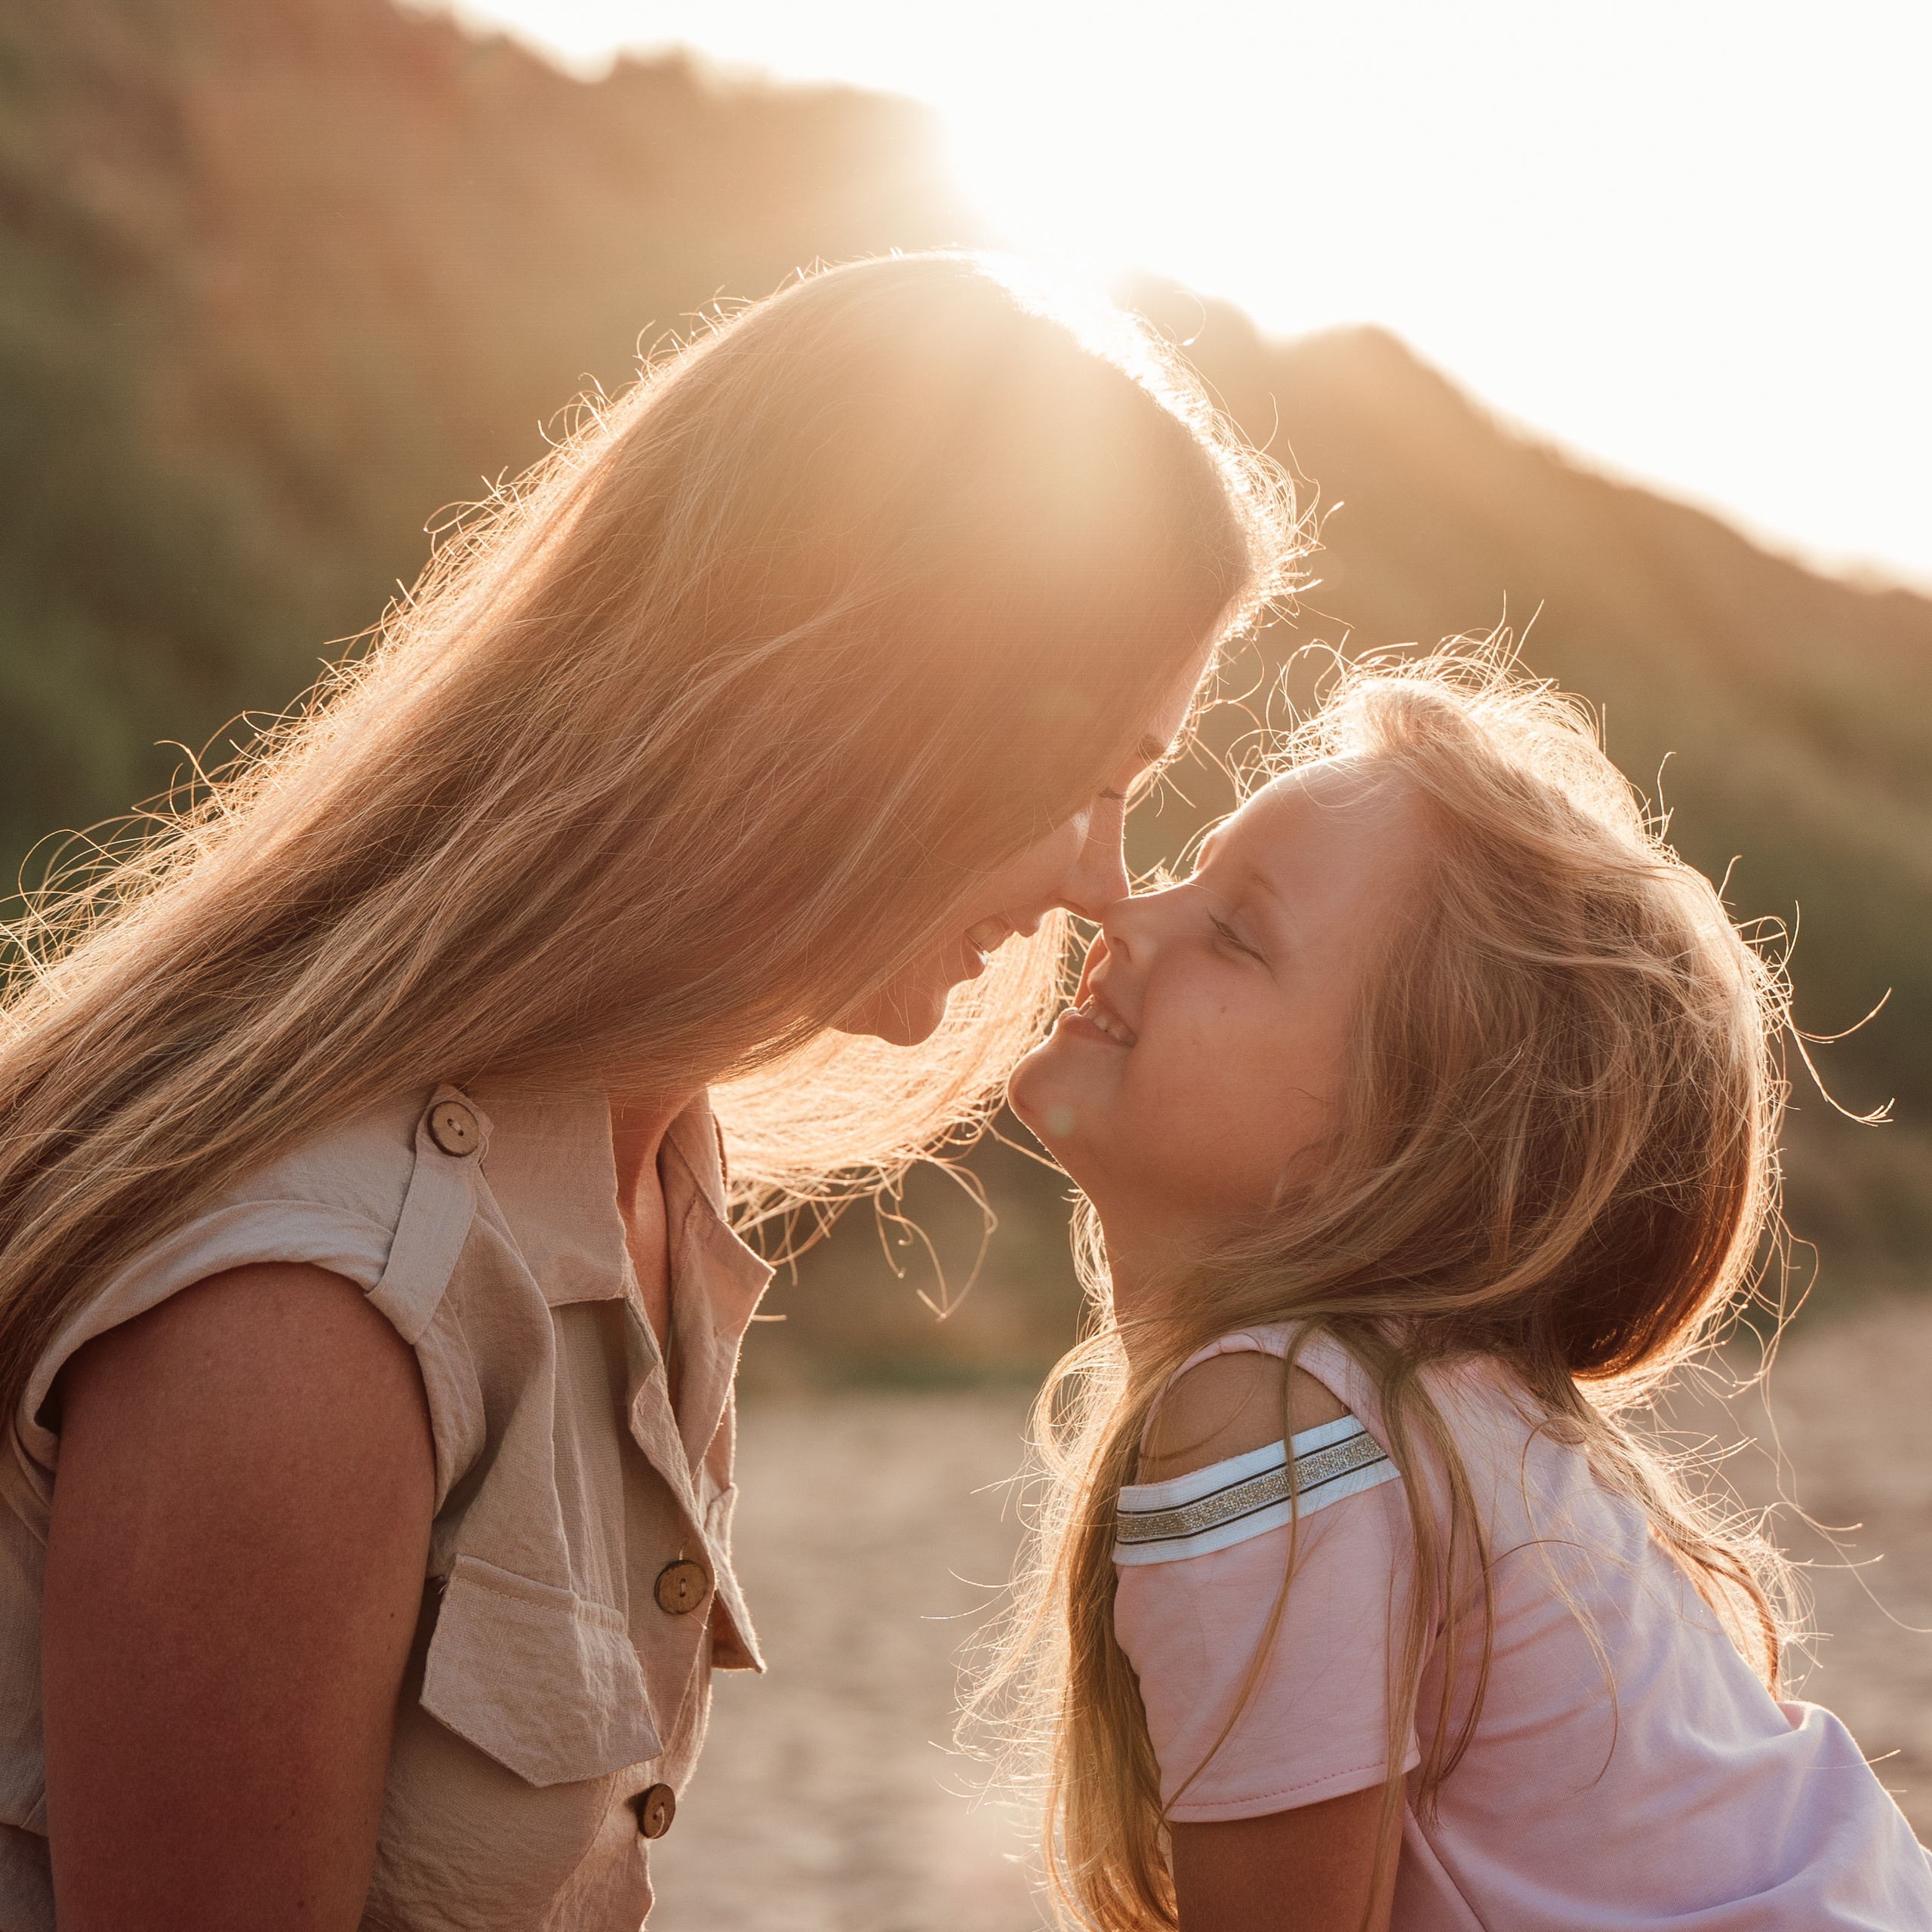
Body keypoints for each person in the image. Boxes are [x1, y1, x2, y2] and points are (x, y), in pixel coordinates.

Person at [0, 252, 1289, 1930]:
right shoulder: (307, 1306)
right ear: (873, 709)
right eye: (1088, 777)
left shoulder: (653, 1171)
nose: (1101, 886)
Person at [989, 651, 1932, 1930]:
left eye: (1237, 932)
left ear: (1407, 1141)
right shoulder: (1439, 1409)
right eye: (1193, 875)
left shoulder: (1276, 1418)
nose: (1131, 917)